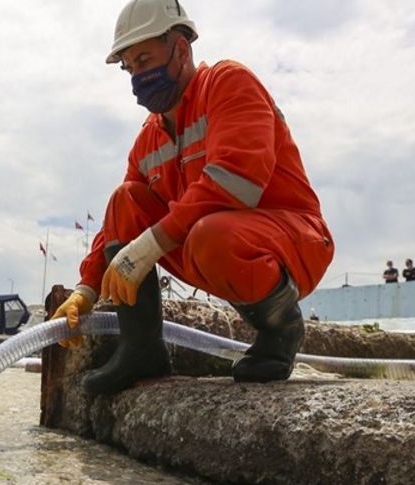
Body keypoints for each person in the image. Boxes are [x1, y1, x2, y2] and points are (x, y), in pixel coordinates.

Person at [52, 0, 334, 394]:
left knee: (211, 233)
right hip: (208, 239)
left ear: (181, 49)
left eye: (145, 59)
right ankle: (141, 350)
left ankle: (280, 330)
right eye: (129, 67)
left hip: (291, 239)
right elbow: (122, 219)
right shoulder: (148, 138)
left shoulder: (228, 83)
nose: (137, 76)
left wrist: (148, 247)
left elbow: (236, 182)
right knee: (125, 199)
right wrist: (86, 290)